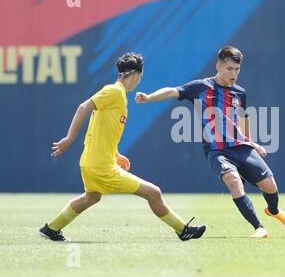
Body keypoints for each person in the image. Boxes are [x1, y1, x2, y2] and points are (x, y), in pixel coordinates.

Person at [39, 53, 206, 242]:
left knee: (91, 197)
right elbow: (83, 107)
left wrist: (116, 154)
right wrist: (69, 138)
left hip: (92, 162)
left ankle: (51, 229)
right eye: (140, 78)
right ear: (135, 74)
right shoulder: (114, 92)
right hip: (101, 166)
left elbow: (100, 128)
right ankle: (183, 230)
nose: (138, 82)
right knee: (154, 192)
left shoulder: (118, 96)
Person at [135, 46, 285, 238]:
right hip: (217, 151)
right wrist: (149, 98)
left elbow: (243, 118)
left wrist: (250, 141)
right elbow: (173, 91)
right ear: (218, 66)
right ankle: (259, 228)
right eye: (229, 69)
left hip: (241, 148)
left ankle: (273, 211)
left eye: (237, 69)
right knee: (234, 181)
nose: (234, 74)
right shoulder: (201, 87)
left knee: (270, 186)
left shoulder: (239, 93)